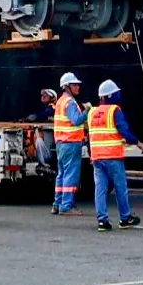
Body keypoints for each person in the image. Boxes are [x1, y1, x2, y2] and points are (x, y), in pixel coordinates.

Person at [88, 80, 141, 232]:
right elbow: (124, 130)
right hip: (113, 157)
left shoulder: (92, 112)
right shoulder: (114, 111)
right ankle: (125, 218)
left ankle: (102, 221)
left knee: (100, 189)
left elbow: (90, 135)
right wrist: (137, 142)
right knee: (120, 188)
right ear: (111, 96)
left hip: (97, 158)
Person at [52, 73, 89, 216]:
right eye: (74, 85)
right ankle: (66, 206)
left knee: (61, 175)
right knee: (71, 175)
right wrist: (87, 111)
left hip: (61, 143)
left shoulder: (60, 101)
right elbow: (77, 120)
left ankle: (57, 204)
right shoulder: (70, 102)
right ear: (66, 86)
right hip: (71, 143)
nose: (77, 87)